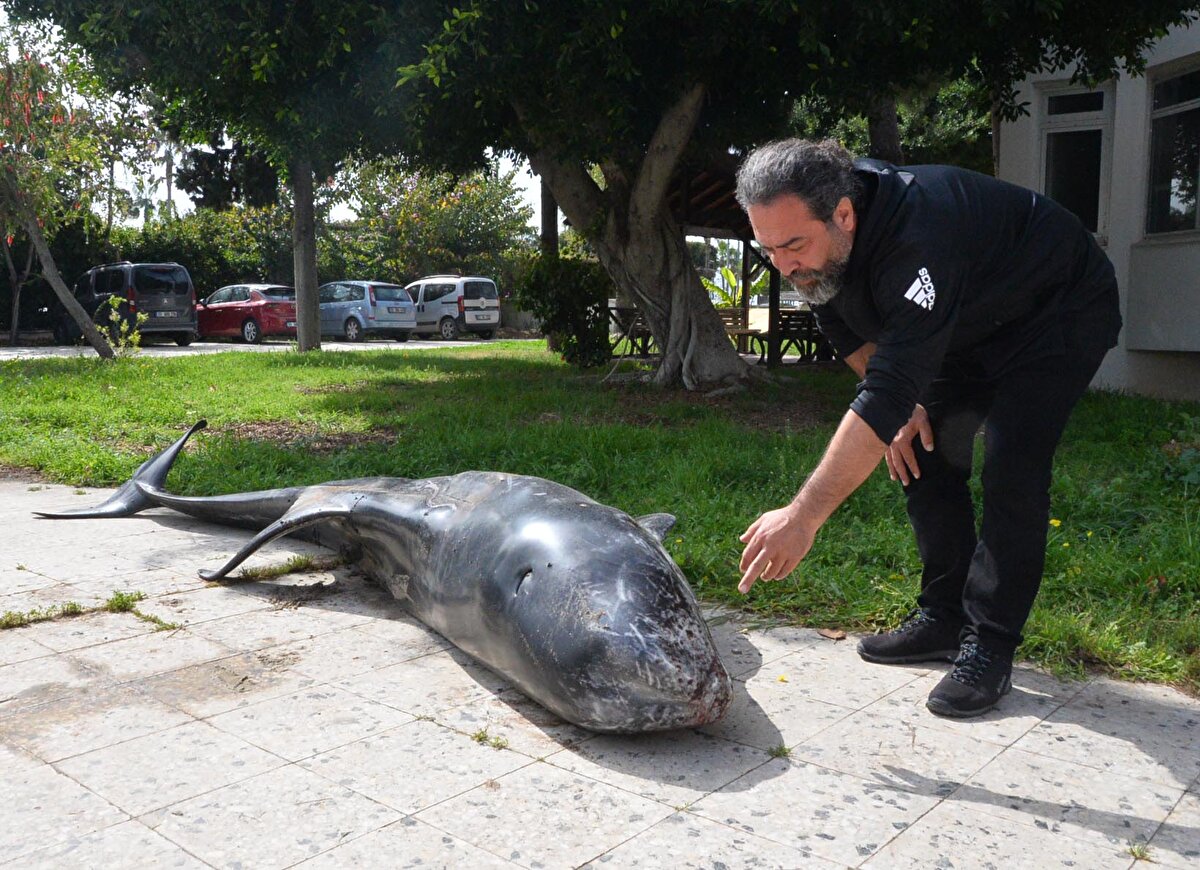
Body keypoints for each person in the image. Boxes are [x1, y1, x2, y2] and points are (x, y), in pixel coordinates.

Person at [734, 139, 1121, 718]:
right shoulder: (818, 250)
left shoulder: (918, 236)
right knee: (920, 446)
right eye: (768, 250)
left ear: (844, 214)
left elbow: (886, 390)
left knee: (1012, 465)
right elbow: (852, 338)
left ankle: (988, 645)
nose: (785, 265)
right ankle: (943, 616)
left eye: (794, 245)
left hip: (1057, 311)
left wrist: (803, 516)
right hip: (968, 320)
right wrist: (904, 408)